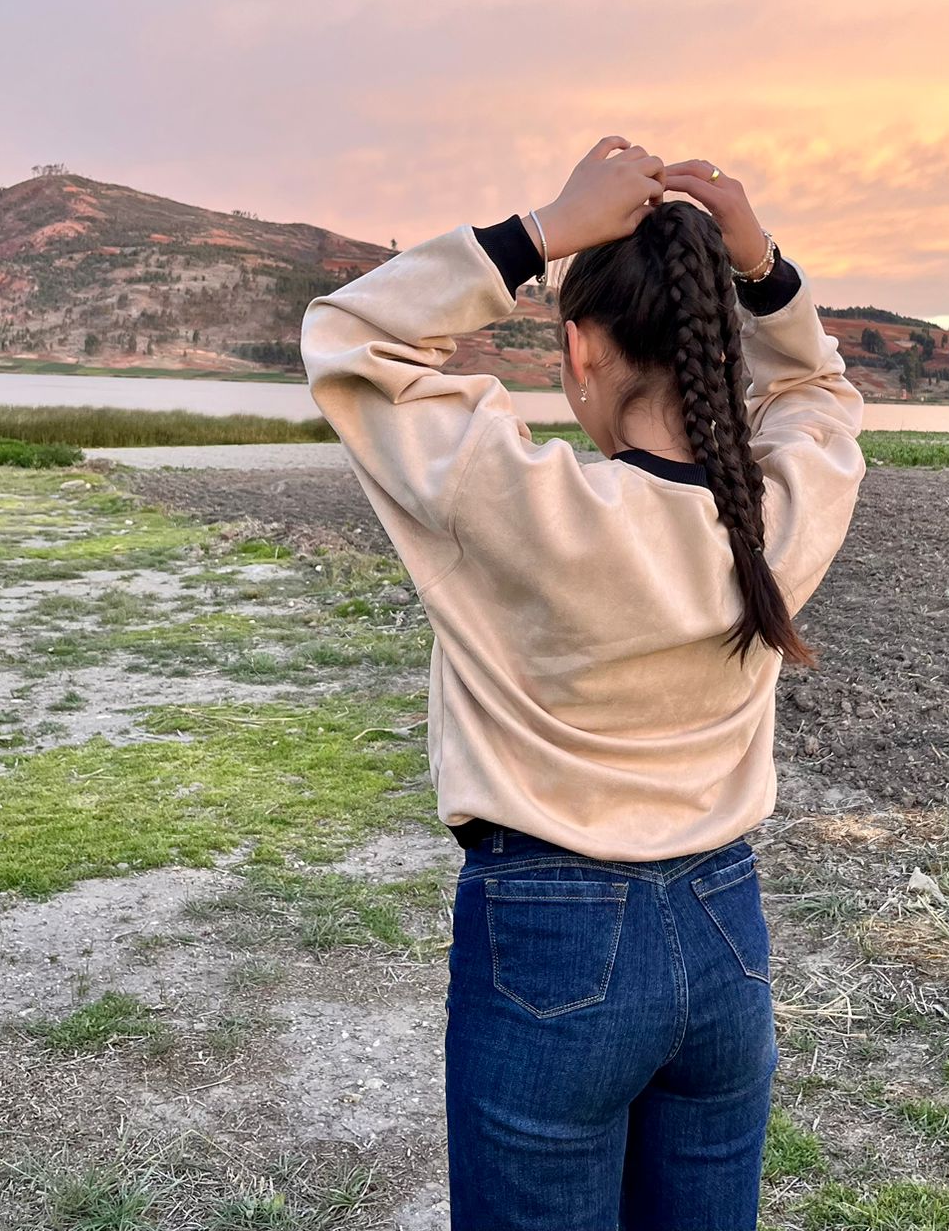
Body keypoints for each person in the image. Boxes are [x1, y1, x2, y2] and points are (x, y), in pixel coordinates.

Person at [300, 138, 866, 1231]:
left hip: (548, 935)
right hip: (726, 929)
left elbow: (350, 333)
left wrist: (542, 231)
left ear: (579, 348)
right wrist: (764, 270)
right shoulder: (777, 515)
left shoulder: (522, 499)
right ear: (717, 350)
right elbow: (817, 389)